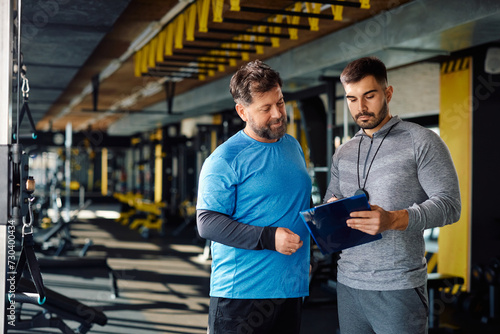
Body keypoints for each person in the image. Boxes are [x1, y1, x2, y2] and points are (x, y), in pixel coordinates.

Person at [324, 56, 461, 334]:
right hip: (349, 283)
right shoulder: (344, 152)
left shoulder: (421, 141)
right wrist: (330, 209)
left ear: (388, 93)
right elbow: (332, 197)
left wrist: (394, 219)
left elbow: (450, 205)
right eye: (351, 99)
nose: (360, 108)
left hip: (398, 286)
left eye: (369, 96)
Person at [196, 60, 312, 334]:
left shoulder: (292, 146)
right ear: (242, 111)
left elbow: (292, 204)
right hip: (242, 296)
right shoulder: (225, 159)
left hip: (291, 288)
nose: (278, 114)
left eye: (280, 102)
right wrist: (269, 238)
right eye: (266, 108)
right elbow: (207, 222)